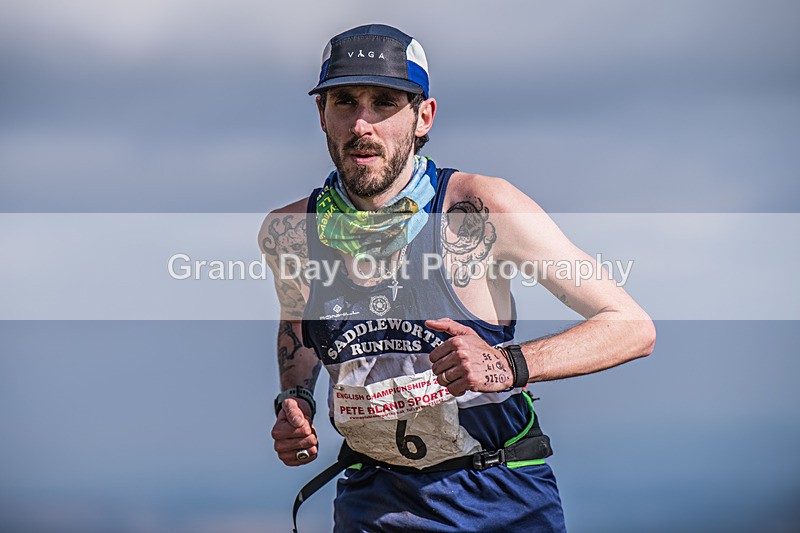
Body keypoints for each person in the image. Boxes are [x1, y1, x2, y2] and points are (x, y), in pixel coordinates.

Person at [259, 24, 655, 532]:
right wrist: (297, 401)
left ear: (423, 116)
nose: (362, 124)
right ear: (321, 115)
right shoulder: (290, 232)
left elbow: (630, 325)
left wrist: (507, 364)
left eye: (384, 102)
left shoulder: (481, 209)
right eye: (344, 102)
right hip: (373, 503)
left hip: (498, 501)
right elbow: (301, 327)